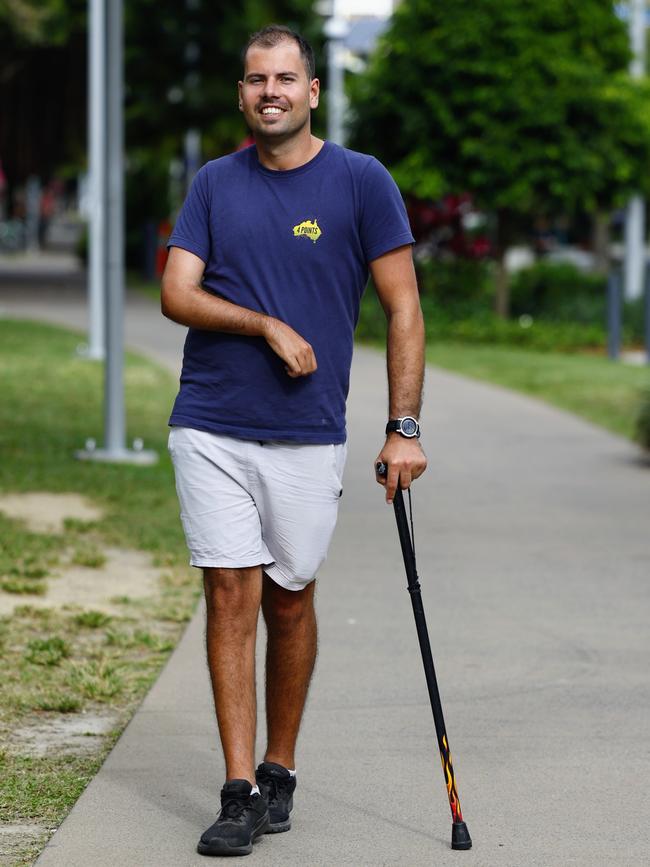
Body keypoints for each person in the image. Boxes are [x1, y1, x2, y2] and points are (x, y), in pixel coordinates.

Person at [161, 24, 427, 858]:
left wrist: (403, 428)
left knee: (290, 595)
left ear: (312, 90)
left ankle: (281, 764)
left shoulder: (360, 182)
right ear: (241, 95)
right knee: (230, 593)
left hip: (308, 434)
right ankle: (238, 788)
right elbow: (177, 292)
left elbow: (403, 308)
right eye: (254, 79)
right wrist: (264, 323)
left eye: (284, 78)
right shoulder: (213, 182)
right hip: (209, 422)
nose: (268, 91)